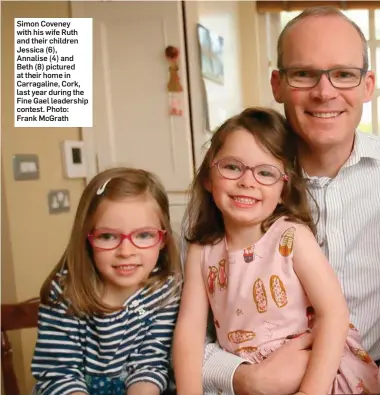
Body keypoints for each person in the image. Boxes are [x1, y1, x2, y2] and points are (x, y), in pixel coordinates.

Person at [200, 6, 380, 395]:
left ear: (368, 86)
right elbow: (180, 332)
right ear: (277, 84)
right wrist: (242, 378)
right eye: (304, 73)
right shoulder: (235, 186)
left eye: (344, 74)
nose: (324, 91)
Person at [173, 107, 379, 395]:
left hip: (319, 376)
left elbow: (334, 314)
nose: (247, 181)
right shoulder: (201, 250)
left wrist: (310, 392)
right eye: (232, 167)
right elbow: (190, 332)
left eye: (265, 172)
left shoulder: (291, 237)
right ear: (209, 178)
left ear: (284, 188)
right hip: (251, 378)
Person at [31, 167, 182, 395]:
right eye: (108, 236)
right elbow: (59, 373)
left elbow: (150, 364)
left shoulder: (166, 292)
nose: (126, 251)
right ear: (87, 238)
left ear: (163, 239)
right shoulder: (64, 293)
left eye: (143, 235)